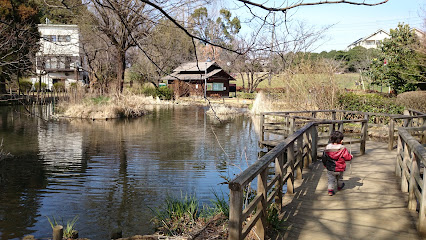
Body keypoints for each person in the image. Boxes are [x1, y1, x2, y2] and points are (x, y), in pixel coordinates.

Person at [323, 131, 353, 196]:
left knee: (331, 179)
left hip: (330, 167)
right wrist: (351, 157)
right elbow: (347, 157)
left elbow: (324, 157)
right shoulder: (343, 148)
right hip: (340, 167)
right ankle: (339, 186)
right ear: (341, 140)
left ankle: (330, 191)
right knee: (340, 178)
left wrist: (325, 164)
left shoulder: (327, 148)